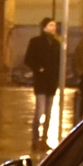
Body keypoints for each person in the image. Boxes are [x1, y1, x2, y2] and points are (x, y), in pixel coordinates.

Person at [23, 17, 64, 148]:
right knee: (40, 111)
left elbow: (59, 62)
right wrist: (38, 68)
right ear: (44, 27)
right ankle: (35, 139)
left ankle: (44, 139)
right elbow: (28, 59)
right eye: (51, 25)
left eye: (54, 25)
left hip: (52, 82)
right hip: (41, 81)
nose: (54, 27)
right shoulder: (36, 42)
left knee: (49, 112)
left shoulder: (57, 44)